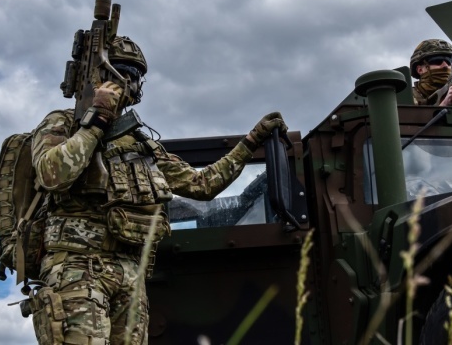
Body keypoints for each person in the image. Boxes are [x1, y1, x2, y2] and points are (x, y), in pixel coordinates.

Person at [29, 35, 288, 344]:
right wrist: (96, 119)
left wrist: (252, 141)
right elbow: (52, 174)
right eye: (121, 72)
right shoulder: (64, 123)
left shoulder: (141, 144)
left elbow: (201, 185)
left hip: (130, 274)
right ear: (99, 77)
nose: (129, 82)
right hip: (77, 267)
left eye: (135, 76)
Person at [410, 38, 452, 106]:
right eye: (437, 61)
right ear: (420, 70)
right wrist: (444, 104)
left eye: (449, 61)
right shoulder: (405, 97)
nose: (445, 66)